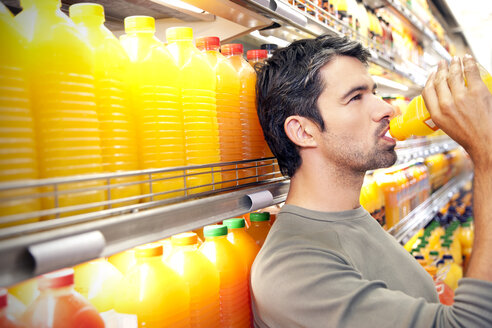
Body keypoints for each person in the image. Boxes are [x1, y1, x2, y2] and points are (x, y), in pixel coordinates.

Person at [251, 34, 492, 327]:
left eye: (374, 92)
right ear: (303, 132)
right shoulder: (291, 270)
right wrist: (486, 153)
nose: (386, 109)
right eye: (355, 97)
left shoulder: (351, 218)